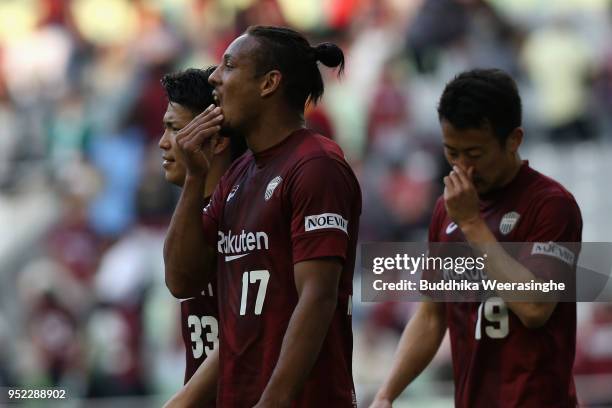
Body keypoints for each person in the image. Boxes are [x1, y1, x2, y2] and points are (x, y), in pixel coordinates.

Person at [163, 25, 361, 407]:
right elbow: (181, 279)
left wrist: (273, 402)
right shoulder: (239, 175)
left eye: (229, 66)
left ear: (269, 83)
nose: (214, 78)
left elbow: (318, 296)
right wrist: (194, 178)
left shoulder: (315, 164)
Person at [370, 69, 582, 408]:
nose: (462, 168)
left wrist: (471, 222)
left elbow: (535, 307)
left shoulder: (552, 205)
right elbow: (431, 316)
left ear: (514, 139)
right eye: (452, 153)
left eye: (475, 154)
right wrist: (387, 393)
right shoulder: (445, 210)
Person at [158, 67, 247, 401]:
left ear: (218, 139)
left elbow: (249, 330)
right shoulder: (194, 209)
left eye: (175, 129)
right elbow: (177, 282)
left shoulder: (246, 209)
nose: (163, 143)